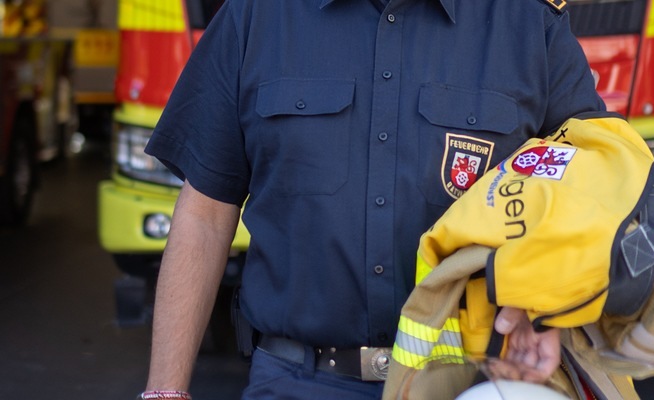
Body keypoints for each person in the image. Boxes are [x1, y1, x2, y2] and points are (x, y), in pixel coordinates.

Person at [139, 0, 605, 399]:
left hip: (475, 381)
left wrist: (549, 305)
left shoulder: (527, 21)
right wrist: (164, 390)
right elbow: (204, 213)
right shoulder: (257, 15)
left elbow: (596, 187)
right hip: (297, 383)